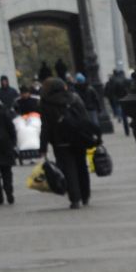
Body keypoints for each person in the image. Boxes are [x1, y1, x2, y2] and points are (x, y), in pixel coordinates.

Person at [39, 76, 97, 208]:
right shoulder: (74, 98)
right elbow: (85, 118)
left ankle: (75, 199)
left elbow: (45, 127)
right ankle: (85, 196)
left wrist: (43, 147)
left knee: (69, 170)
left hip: (60, 142)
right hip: (78, 138)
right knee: (82, 167)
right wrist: (91, 134)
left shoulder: (46, 103)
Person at [105, 67, 131, 136]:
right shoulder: (126, 80)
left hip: (120, 100)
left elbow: (113, 91)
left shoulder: (115, 81)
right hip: (128, 99)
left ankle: (126, 130)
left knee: (124, 116)